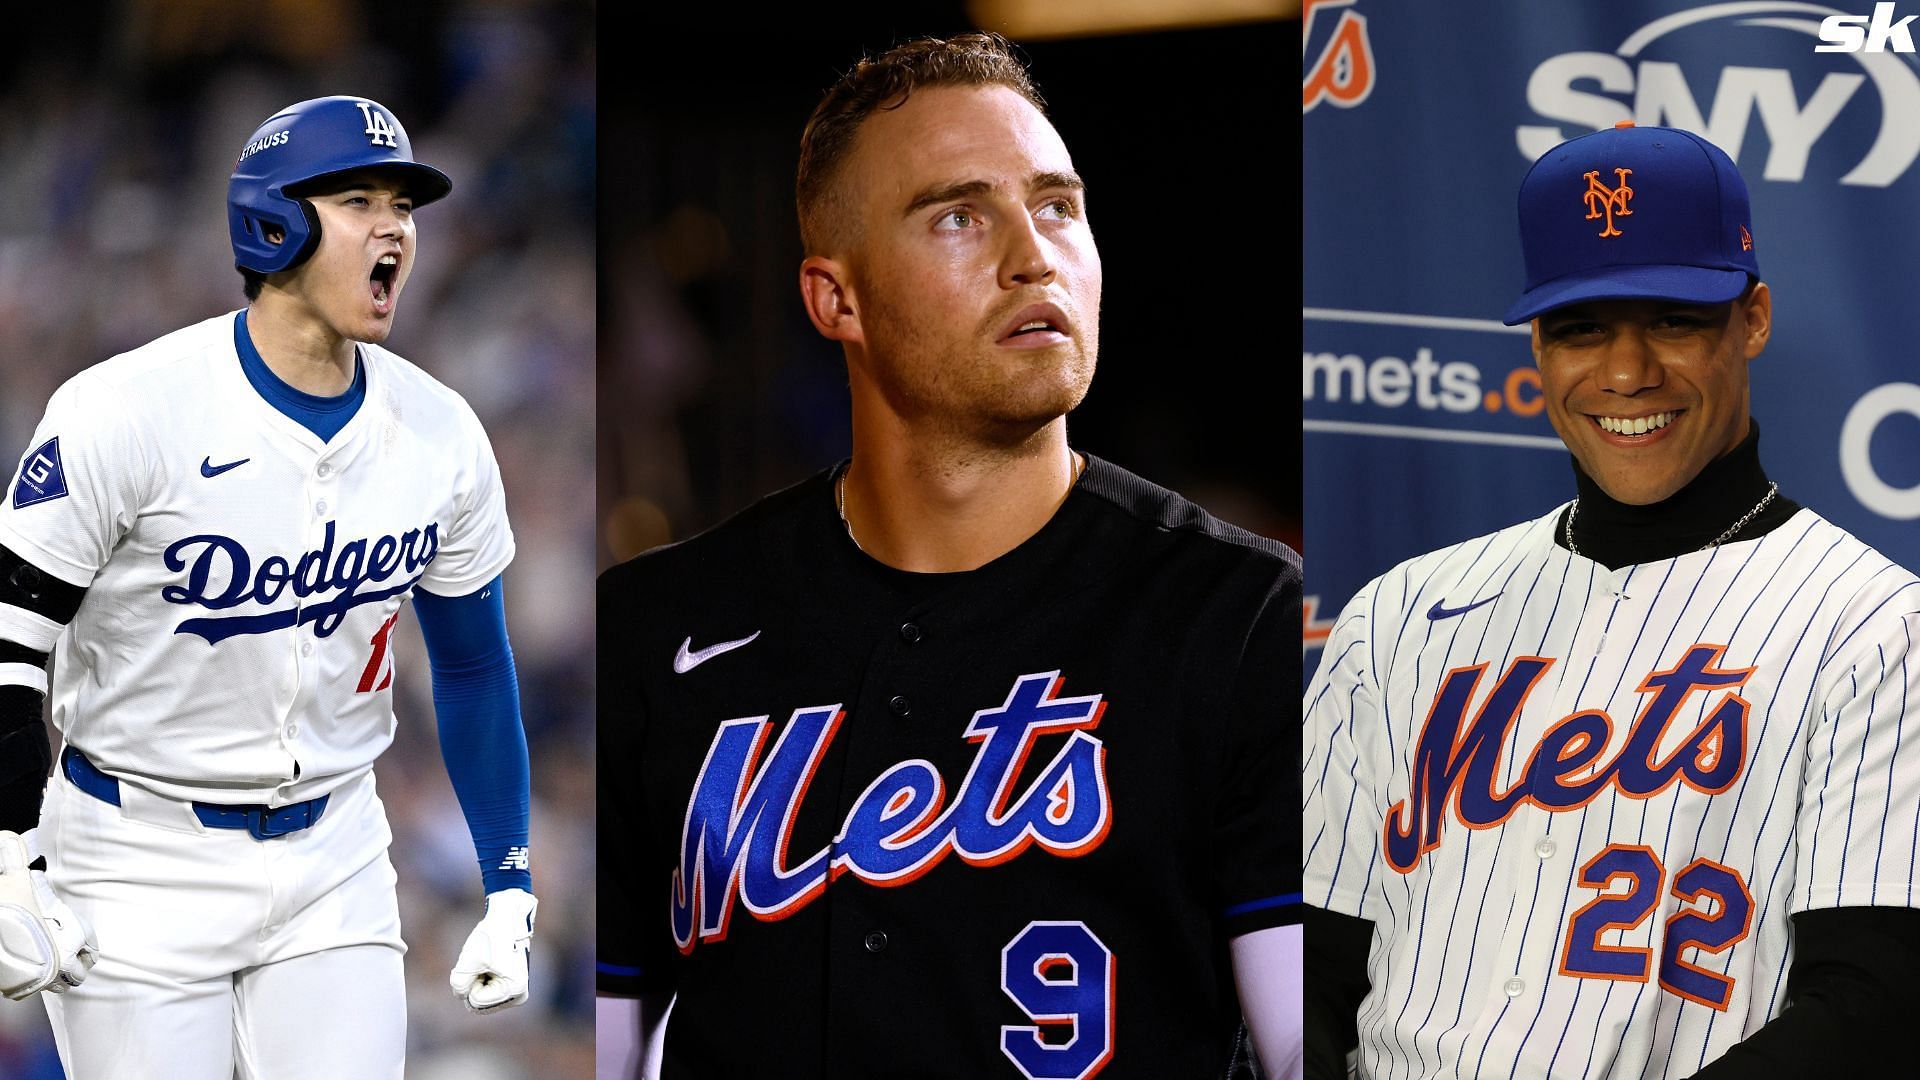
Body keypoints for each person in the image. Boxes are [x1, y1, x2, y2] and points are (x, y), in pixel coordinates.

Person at [597, 32, 1302, 1079]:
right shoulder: (658, 628)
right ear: (837, 301)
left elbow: (1307, 1046)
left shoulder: (1236, 616)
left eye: (1058, 205)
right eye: (961, 216)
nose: (1035, 254)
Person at [1302, 122, 1920, 1078]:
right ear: (1538, 344)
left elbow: (1879, 1002)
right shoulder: (1397, 616)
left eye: (1673, 319)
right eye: (1582, 328)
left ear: (1751, 317)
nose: (1626, 374)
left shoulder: (1875, 625)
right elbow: (1310, 968)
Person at [0, 95, 538, 1078]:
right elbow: (9, 647)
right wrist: (9, 849)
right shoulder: (128, 410)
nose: (395, 229)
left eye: (404, 207)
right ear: (273, 222)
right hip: (135, 854)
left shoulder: (441, 431)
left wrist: (509, 884)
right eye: (359, 199)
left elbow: (471, 667)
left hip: (333, 852)